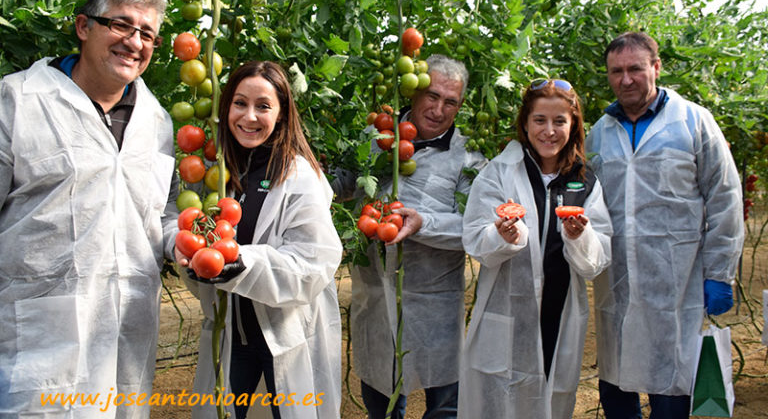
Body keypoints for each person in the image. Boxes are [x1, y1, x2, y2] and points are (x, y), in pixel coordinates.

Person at [0, 0, 176, 417]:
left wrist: (186, 244)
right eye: (121, 25)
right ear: (83, 26)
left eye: (147, 34)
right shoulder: (18, 100)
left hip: (127, 333)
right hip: (37, 339)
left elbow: (160, 212)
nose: (134, 42)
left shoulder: (157, 122)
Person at [586, 32, 744, 418]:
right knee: (617, 383)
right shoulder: (598, 133)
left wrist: (720, 272)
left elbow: (724, 198)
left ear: (655, 68)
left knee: (672, 385)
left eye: (635, 69)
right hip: (617, 281)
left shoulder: (692, 121)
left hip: (678, 281)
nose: (626, 80)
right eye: (616, 71)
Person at [175, 61, 343, 419]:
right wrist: (183, 253)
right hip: (230, 335)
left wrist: (241, 265)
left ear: (281, 115)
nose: (249, 116)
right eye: (240, 103)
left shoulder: (300, 178)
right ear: (226, 108)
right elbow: (186, 232)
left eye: (263, 106)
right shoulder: (214, 176)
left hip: (284, 336)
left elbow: (315, 263)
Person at [335, 54, 487, 419]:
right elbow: (338, 186)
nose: (438, 109)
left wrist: (426, 223)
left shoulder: (469, 159)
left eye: (450, 102)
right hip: (374, 292)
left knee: (444, 404)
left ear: (460, 106)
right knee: (381, 400)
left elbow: (475, 228)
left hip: (434, 301)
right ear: (413, 92)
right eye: (431, 96)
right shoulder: (375, 138)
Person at [459, 79, 612, 418]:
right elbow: (474, 239)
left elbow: (596, 260)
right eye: (540, 120)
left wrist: (578, 237)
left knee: (552, 399)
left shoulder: (584, 182)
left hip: (561, 314)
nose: (549, 130)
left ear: (573, 126)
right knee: (499, 400)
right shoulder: (499, 172)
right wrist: (504, 237)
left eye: (560, 121)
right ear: (525, 124)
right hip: (506, 313)